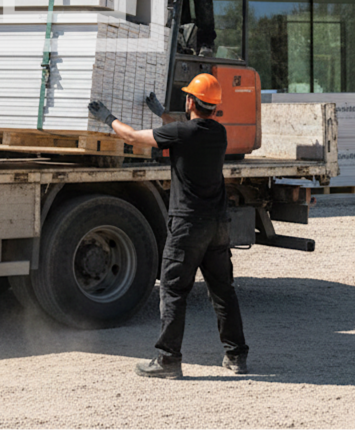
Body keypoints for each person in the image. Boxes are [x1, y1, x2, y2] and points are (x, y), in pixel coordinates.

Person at [88, 73, 249, 380]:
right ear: (214, 107)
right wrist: (159, 110)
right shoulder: (219, 133)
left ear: (190, 101)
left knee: (174, 291)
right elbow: (182, 126)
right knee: (223, 292)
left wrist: (107, 117)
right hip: (218, 225)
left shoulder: (181, 132)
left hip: (188, 225)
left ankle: (168, 360)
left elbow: (133, 137)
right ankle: (236, 356)